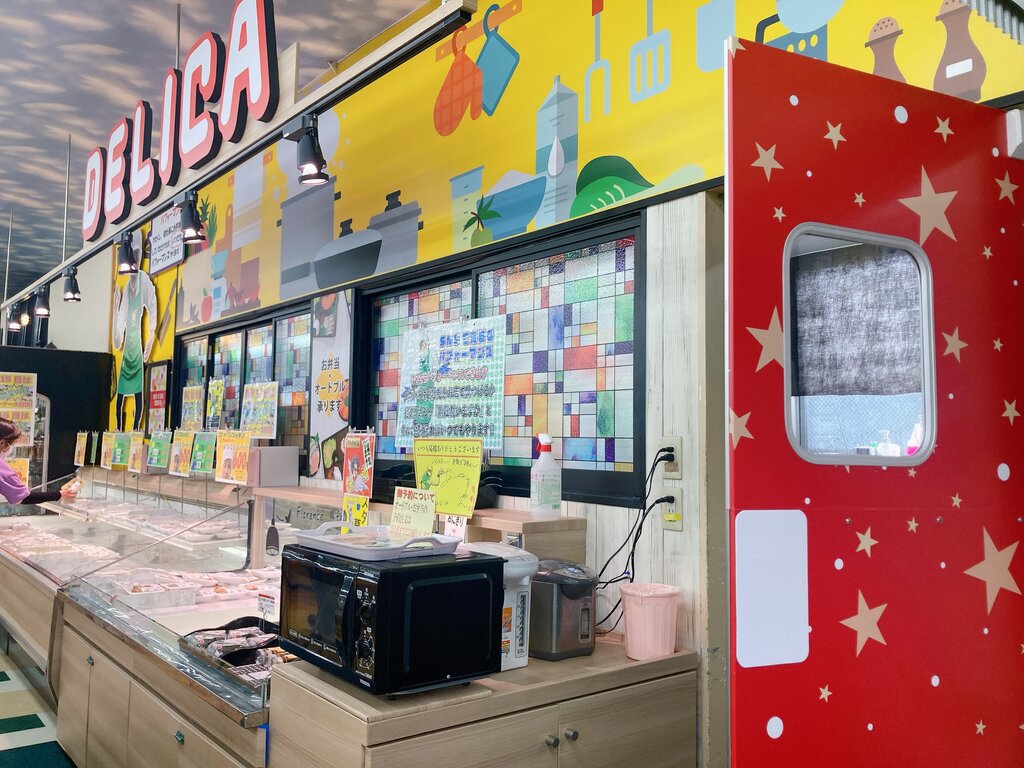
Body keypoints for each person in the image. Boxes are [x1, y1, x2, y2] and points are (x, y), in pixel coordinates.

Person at [0, 419, 77, 505]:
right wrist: (59, 494)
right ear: (1, 443)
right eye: (12, 444)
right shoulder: (2, 469)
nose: (10, 449)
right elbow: (23, 498)